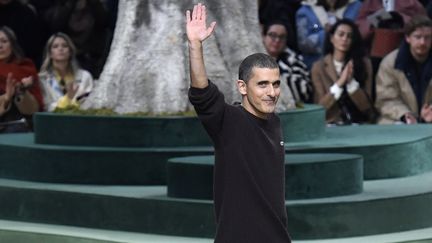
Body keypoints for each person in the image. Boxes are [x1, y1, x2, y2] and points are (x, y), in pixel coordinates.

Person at [186, 3, 291, 243]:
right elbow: (202, 93)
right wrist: (195, 46)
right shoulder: (229, 121)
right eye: (262, 84)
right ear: (242, 87)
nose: (271, 92)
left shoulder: (275, 123)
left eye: (275, 84)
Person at [311, 19, 376, 125]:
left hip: (359, 123)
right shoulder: (318, 67)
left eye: (349, 36)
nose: (345, 39)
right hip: (331, 124)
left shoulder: (364, 64)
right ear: (332, 38)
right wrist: (340, 83)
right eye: (341, 35)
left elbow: (368, 108)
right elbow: (319, 108)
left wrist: (351, 83)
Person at [375, 15, 432, 124]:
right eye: (418, 37)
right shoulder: (390, 62)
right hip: (399, 118)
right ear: (407, 38)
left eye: (427, 37)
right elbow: (385, 99)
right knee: (386, 123)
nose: (422, 42)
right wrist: (404, 114)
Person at [296, 0, 362, 69]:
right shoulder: (306, 11)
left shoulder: (355, 6)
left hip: (350, 63)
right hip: (318, 65)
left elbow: (360, 36)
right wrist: (326, 33)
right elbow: (304, 44)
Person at [0, 26, 43, 132]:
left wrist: (22, 92)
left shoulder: (26, 66)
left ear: (12, 45)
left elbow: (34, 110)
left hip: (20, 125)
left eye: (4, 41)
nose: (0, 46)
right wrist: (6, 98)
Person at [39, 32, 93, 112]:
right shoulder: (41, 79)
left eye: (64, 46)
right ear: (50, 53)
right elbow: (47, 107)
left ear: (70, 52)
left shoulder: (85, 76)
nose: (60, 49)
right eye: (55, 46)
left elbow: (89, 103)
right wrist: (68, 99)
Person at [263, 21, 313, 105]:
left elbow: (304, 91)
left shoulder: (295, 61)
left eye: (282, 37)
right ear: (263, 37)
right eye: (272, 35)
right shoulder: (254, 59)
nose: (277, 40)